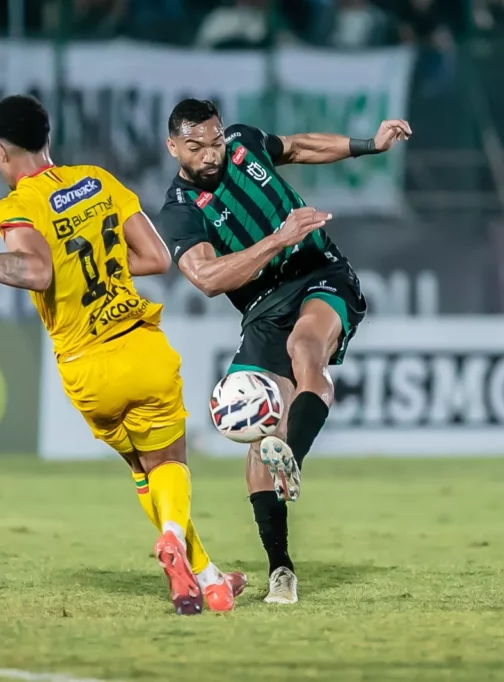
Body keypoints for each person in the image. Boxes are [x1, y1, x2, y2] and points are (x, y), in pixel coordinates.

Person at [0, 94, 245, 615]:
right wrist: (103, 263)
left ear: (0, 152)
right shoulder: (98, 180)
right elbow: (157, 258)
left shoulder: (16, 206)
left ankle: (208, 579)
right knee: (169, 466)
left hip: (85, 368)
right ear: (47, 139)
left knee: (141, 468)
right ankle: (176, 542)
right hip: (140, 347)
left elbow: (35, 271)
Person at [155, 98, 411, 605]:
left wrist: (369, 145)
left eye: (215, 141)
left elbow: (297, 146)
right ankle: (281, 569)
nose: (210, 154)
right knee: (257, 432)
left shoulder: (246, 143)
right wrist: (278, 237)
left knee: (306, 348)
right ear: (173, 147)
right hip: (262, 308)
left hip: (320, 272)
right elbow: (206, 278)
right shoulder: (180, 211)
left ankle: (291, 454)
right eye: (195, 147)